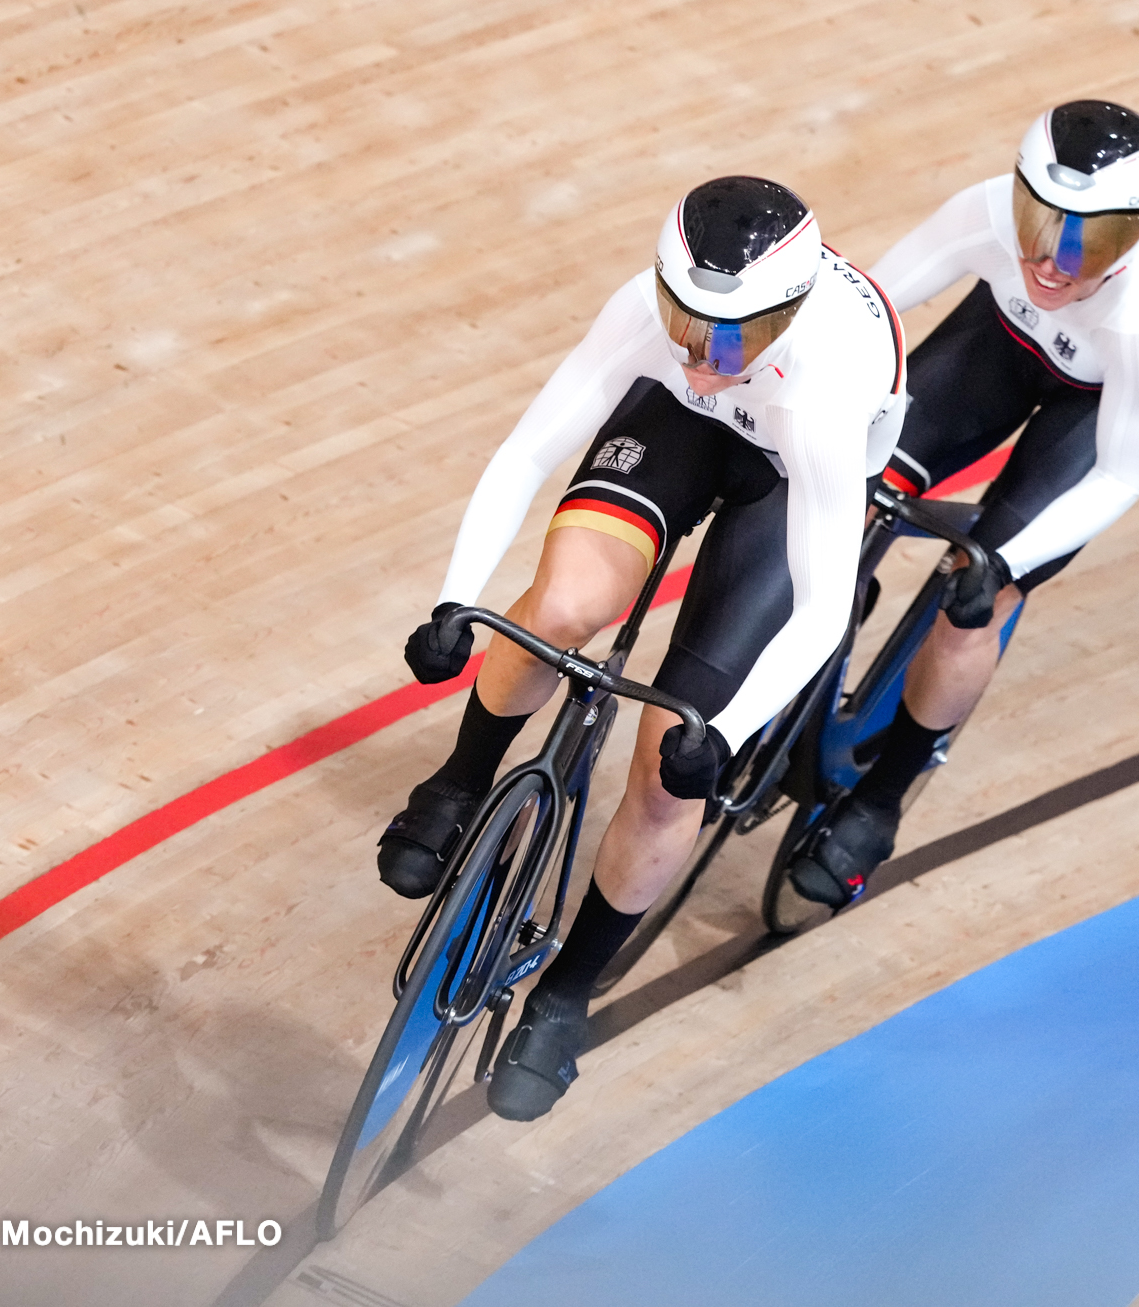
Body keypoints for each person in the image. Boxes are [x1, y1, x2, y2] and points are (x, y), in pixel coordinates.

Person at [382, 177, 906, 1119]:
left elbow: (822, 606)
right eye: (686, 323)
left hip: (788, 477)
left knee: (671, 772)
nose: (704, 356)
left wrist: (729, 730)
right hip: (677, 435)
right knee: (566, 605)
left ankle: (566, 993)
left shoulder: (825, 386)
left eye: (733, 338)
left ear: (785, 316)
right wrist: (455, 601)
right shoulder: (654, 321)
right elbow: (525, 453)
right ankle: (460, 780)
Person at [786, 100, 1139, 907]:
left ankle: (880, 801)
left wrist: (1002, 562)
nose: (1051, 260)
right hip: (1003, 341)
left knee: (974, 600)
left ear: (1138, 235)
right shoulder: (985, 215)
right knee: (842, 479)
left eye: (1088, 239)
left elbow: (1118, 477)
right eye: (1038, 221)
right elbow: (867, 311)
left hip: (1095, 405)